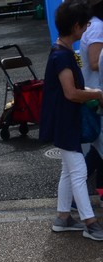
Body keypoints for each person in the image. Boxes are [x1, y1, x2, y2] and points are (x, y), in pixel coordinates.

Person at [43, 0, 103, 239]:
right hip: (65, 121)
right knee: (77, 171)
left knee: (68, 172)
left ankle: (63, 217)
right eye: (86, 24)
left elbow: (72, 90)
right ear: (76, 26)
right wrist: (97, 94)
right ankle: (91, 224)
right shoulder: (62, 56)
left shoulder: (62, 51)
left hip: (63, 120)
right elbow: (71, 93)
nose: (88, 28)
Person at [80, 0, 103, 194]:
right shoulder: (97, 27)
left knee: (99, 147)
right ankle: (73, 193)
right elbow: (96, 62)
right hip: (97, 93)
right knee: (99, 146)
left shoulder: (94, 24)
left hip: (96, 91)